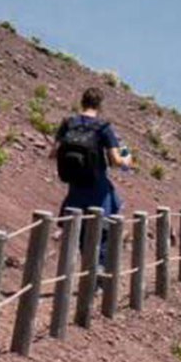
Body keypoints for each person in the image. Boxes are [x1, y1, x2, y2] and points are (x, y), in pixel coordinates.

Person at [52, 87, 132, 267]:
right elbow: (115, 161)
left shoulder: (68, 123)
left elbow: (53, 152)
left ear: (82, 101)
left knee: (78, 235)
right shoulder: (104, 127)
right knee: (102, 236)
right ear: (100, 105)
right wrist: (127, 158)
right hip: (98, 190)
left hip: (75, 189)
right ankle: (96, 283)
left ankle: (78, 279)